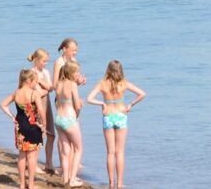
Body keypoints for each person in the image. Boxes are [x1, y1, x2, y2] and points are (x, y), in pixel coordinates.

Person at [87, 60, 147, 189]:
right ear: (120, 71)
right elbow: (142, 93)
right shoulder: (124, 84)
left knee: (110, 152)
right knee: (120, 152)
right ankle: (120, 184)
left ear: (108, 70)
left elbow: (89, 99)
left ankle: (111, 183)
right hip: (121, 115)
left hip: (108, 116)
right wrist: (130, 104)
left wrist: (102, 104)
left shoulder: (102, 84)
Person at [0, 69, 49, 189]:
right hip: (33, 126)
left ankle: (22, 184)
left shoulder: (16, 93)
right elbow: (41, 111)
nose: (36, 84)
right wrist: (44, 125)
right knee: (32, 157)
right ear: (28, 81)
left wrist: (12, 116)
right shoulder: (34, 93)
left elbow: (2, 104)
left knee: (22, 155)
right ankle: (31, 185)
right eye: (35, 82)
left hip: (19, 126)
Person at [53, 38, 87, 174]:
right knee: (66, 136)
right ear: (65, 49)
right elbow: (56, 85)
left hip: (70, 101)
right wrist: (73, 86)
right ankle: (64, 166)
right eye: (73, 50)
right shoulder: (59, 62)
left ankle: (72, 165)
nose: (75, 53)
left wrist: (79, 81)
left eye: (76, 50)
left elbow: (71, 80)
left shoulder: (72, 63)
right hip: (63, 101)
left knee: (70, 136)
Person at [54, 62, 85, 187]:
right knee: (78, 149)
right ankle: (72, 179)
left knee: (65, 150)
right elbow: (77, 105)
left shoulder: (59, 83)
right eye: (77, 72)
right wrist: (78, 110)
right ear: (71, 72)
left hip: (58, 119)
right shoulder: (72, 84)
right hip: (69, 119)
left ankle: (66, 178)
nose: (78, 74)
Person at [27, 49, 57, 176]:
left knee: (51, 134)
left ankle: (48, 163)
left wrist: (41, 82)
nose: (46, 64)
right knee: (39, 135)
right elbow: (36, 93)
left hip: (47, 105)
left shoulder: (45, 72)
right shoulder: (31, 73)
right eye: (44, 61)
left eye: (47, 61)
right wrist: (44, 87)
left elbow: (51, 87)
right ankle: (33, 164)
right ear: (37, 60)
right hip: (36, 105)